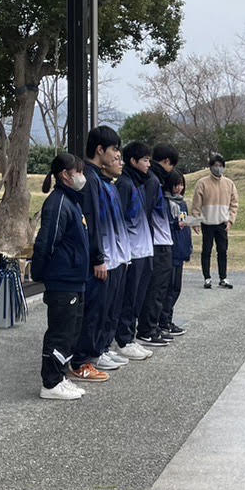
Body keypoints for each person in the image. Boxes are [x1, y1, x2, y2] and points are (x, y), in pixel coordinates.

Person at [69, 126, 129, 384]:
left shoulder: (99, 180)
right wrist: (98, 258)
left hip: (107, 256)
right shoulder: (90, 179)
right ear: (100, 150)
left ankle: (94, 353)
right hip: (97, 259)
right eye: (114, 149)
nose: (117, 155)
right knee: (92, 311)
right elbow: (91, 223)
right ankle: (82, 361)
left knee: (103, 309)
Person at [32, 152, 90, 401]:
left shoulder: (72, 201)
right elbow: (46, 242)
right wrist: (40, 271)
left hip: (75, 278)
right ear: (65, 175)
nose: (82, 176)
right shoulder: (58, 203)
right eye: (78, 172)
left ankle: (61, 376)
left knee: (71, 331)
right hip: (62, 279)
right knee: (60, 331)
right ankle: (50, 382)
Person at [112, 141, 156, 362]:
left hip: (144, 250)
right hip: (131, 252)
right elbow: (117, 222)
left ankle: (130, 337)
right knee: (128, 298)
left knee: (138, 297)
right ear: (133, 161)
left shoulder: (139, 184)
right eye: (146, 160)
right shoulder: (125, 185)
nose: (149, 164)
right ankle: (124, 339)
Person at [135, 143, 178, 345]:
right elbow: (146, 211)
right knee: (156, 289)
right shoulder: (153, 181)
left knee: (161, 287)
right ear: (167, 162)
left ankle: (154, 326)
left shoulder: (156, 180)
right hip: (157, 242)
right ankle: (148, 329)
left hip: (162, 241)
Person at [191, 153, 238, 289]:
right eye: (215, 165)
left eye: (220, 166)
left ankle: (223, 278)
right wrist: (195, 221)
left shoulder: (229, 183)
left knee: (222, 251)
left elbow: (234, 204)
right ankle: (207, 278)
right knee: (206, 251)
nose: (218, 168)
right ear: (210, 167)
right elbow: (196, 205)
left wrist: (230, 221)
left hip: (222, 224)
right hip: (207, 223)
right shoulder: (202, 183)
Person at [162, 170, 192, 338]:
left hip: (181, 250)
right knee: (168, 288)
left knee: (176, 288)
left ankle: (168, 319)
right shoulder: (167, 203)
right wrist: (176, 224)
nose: (179, 188)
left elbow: (185, 225)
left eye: (181, 184)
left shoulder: (183, 204)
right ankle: (163, 320)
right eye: (176, 184)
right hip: (170, 250)